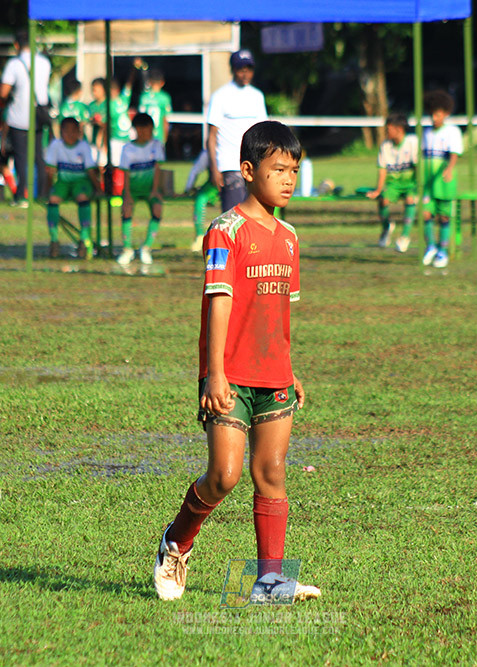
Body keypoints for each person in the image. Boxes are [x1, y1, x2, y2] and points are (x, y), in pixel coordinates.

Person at [152, 121, 320, 604]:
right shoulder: (224, 232)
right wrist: (215, 373)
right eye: (278, 170)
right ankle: (176, 543)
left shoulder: (289, 237)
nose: (288, 179)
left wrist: (289, 369)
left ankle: (269, 583)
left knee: (271, 473)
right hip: (229, 376)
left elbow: (279, 314)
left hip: (274, 377)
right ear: (248, 171)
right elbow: (218, 303)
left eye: (294, 170)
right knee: (223, 475)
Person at [206, 49, 267, 212]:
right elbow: (211, 137)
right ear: (233, 70)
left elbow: (263, 132)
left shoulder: (257, 96)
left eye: (249, 69)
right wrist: (214, 168)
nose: (245, 74)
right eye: (241, 69)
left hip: (255, 166)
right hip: (230, 166)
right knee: (233, 216)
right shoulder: (220, 96)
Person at [0, 29, 52, 207]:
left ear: (16, 45)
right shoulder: (45, 62)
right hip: (39, 115)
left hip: (19, 116)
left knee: (21, 158)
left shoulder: (14, 64)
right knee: (39, 157)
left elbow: (4, 91)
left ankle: (22, 196)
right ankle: (42, 194)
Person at [44, 117, 101, 259]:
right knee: (53, 199)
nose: (70, 134)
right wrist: (47, 189)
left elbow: (90, 170)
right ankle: (54, 240)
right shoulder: (55, 145)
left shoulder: (83, 146)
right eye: (66, 131)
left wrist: (98, 188)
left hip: (81, 181)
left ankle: (83, 239)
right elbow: (50, 170)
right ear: (61, 132)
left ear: (79, 132)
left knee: (82, 197)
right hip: (63, 181)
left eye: (73, 131)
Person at [420, 90, 462, 269]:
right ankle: (430, 246)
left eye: (438, 114)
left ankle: (442, 251)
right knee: (426, 213)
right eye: (432, 114)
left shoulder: (452, 131)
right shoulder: (426, 132)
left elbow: (454, 154)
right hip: (428, 179)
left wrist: (449, 169)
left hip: (443, 179)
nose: (434, 118)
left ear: (446, 114)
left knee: (444, 216)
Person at [117, 113, 165, 266]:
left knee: (157, 209)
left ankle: (146, 247)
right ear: (135, 129)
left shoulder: (156, 145)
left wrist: (156, 190)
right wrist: (127, 195)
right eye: (141, 129)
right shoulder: (128, 148)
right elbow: (126, 173)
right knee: (127, 211)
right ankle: (127, 249)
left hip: (151, 189)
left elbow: (158, 168)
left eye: (148, 129)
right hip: (133, 189)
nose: (145, 132)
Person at [366, 113, 419, 252]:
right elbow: (382, 170)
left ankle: (405, 237)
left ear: (399, 129)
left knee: (410, 199)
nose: (386, 132)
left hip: (410, 184)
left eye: (388, 129)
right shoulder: (385, 146)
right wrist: (378, 190)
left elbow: (418, 167)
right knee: (383, 200)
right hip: (393, 185)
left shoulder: (412, 142)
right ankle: (386, 227)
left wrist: (420, 188)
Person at [184, 149, 219, 253]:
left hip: (236, 183)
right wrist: (188, 188)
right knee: (200, 199)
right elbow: (195, 170)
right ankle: (200, 236)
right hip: (213, 186)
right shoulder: (208, 153)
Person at [138, 69, 172, 144]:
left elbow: (140, 119)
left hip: (145, 136)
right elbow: (165, 119)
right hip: (159, 135)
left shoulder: (144, 97)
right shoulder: (165, 98)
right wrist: (165, 138)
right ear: (162, 83)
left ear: (150, 82)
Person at [88, 77, 109, 166]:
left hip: (106, 142)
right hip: (94, 141)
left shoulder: (109, 104)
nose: (94, 93)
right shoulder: (91, 106)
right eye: (93, 90)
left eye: (96, 90)